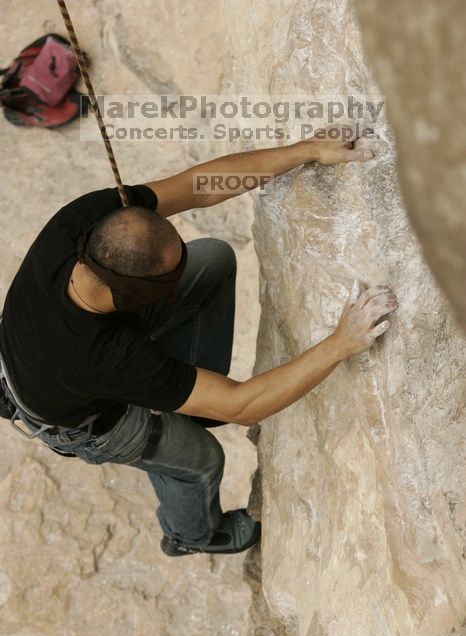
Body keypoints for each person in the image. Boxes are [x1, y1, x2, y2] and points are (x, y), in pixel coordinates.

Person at [0, 134, 398, 557]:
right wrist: (340, 343)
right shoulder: (113, 358)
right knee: (200, 460)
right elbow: (244, 406)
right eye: (172, 279)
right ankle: (191, 535)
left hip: (35, 353)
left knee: (212, 259)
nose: (180, 269)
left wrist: (308, 150)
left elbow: (195, 185)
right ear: (136, 298)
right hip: (85, 419)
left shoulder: (82, 223)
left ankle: (189, 398)